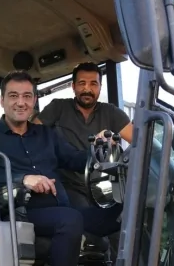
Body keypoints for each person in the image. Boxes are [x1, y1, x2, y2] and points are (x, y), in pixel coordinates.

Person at [0, 70, 123, 266]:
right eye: (14, 96)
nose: (21, 102)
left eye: (27, 96)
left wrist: (99, 149)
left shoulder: (46, 135)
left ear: (34, 101)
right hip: (22, 213)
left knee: (123, 212)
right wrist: (22, 180)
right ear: (2, 101)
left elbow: (75, 160)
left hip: (62, 211)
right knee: (70, 220)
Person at [33, 62, 133, 208]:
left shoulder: (111, 112)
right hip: (66, 185)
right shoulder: (57, 108)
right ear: (73, 86)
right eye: (82, 83)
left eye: (93, 84)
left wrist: (111, 139)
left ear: (100, 86)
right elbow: (31, 136)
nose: (87, 89)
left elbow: (140, 141)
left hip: (102, 185)